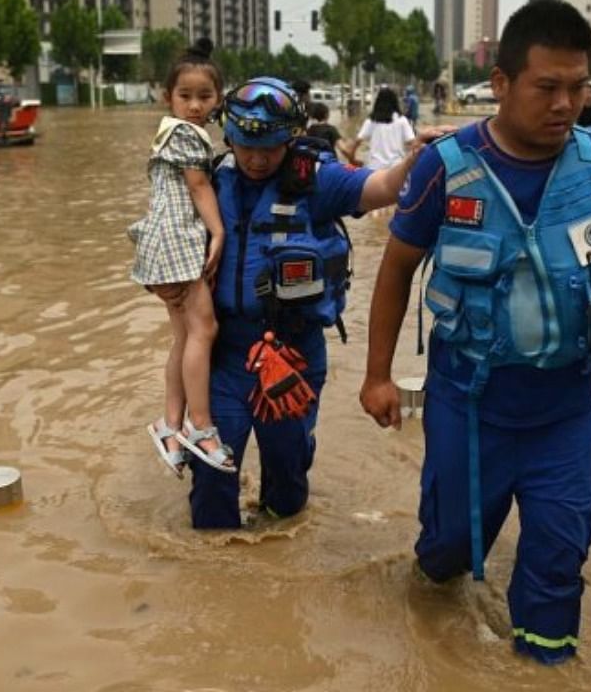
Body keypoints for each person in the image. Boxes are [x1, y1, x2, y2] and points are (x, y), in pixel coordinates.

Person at [359, 0, 591, 666]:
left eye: (578, 87)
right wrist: (376, 374)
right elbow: (395, 271)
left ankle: (544, 667)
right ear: (503, 84)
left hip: (564, 413)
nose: (566, 104)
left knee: (557, 563)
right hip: (467, 405)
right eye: (547, 87)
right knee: (446, 553)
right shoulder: (444, 170)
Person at [179, 76, 447, 529]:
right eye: (247, 148)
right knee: (211, 478)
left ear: (294, 138)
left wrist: (415, 160)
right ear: (229, 136)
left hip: (292, 355)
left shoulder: (316, 182)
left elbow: (381, 187)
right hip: (224, 355)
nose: (259, 159)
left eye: (272, 148)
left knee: (286, 488)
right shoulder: (208, 179)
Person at [127, 39, 235, 478]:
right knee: (205, 328)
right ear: (168, 96)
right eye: (185, 96)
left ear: (218, 98)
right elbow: (198, 186)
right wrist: (219, 230)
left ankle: (170, 425)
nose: (194, 106)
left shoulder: (165, 129)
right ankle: (202, 426)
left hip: (157, 241)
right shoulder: (189, 134)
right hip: (177, 241)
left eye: (204, 97)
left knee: (184, 336)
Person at [342, 87, 416, 169]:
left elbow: (356, 142)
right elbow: (414, 144)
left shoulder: (371, 120)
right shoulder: (402, 120)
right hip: (396, 169)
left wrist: (352, 160)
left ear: (377, 102)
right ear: (395, 102)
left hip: (374, 169)